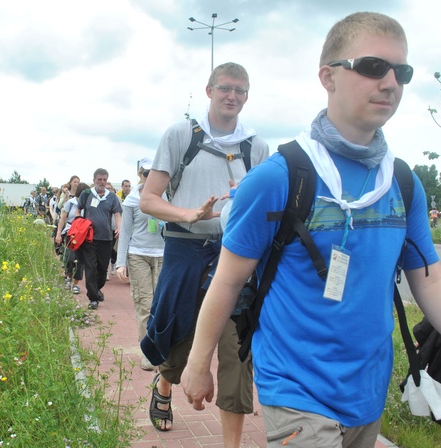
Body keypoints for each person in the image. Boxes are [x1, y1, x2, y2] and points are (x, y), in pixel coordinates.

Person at [180, 12, 441, 448]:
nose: (389, 83)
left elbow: (431, 282)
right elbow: (228, 280)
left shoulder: (401, 183)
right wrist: (198, 362)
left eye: (401, 72)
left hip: (367, 389)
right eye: (372, 67)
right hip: (293, 385)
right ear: (328, 76)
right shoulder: (279, 177)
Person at [139, 61, 269, 442]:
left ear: (247, 96)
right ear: (209, 91)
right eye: (225, 88)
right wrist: (190, 214)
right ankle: (164, 385)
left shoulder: (256, 147)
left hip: (237, 254)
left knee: (236, 349)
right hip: (186, 247)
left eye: (240, 90)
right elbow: (149, 199)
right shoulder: (181, 135)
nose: (232, 96)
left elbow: (265, 208)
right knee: (178, 343)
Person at [115, 158, 164, 371]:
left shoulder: (168, 194)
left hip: (164, 254)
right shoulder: (132, 199)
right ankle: (148, 352)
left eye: (154, 172)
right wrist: (120, 262)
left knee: (162, 305)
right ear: (139, 175)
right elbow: (125, 231)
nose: (149, 177)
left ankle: (162, 349)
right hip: (138, 255)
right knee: (145, 303)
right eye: (145, 173)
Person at [77, 168, 122, 310]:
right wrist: (79, 219)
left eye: (104, 180)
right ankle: (93, 298)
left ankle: (96, 289)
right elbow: (78, 209)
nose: (102, 182)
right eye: (99, 180)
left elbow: (117, 214)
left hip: (106, 238)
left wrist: (120, 228)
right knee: (90, 267)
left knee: (102, 268)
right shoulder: (87, 194)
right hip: (89, 238)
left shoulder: (112, 197)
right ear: (94, 180)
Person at [56, 180, 87, 295]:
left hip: (83, 234)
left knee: (80, 261)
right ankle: (68, 277)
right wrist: (59, 233)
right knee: (70, 258)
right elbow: (62, 219)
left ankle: (76, 283)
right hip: (71, 232)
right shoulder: (71, 203)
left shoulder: (89, 204)